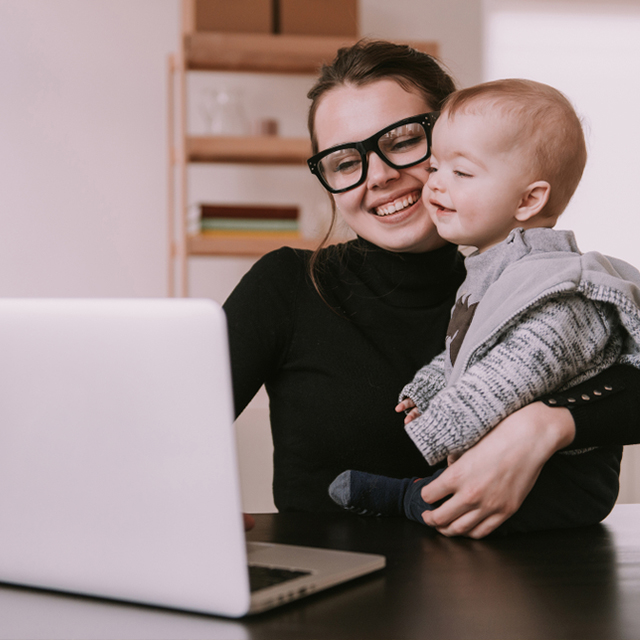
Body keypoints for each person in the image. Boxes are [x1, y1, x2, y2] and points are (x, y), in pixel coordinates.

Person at [224, 40, 640, 539]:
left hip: (535, 596)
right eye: (343, 162)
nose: (378, 176)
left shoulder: (540, 284)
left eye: (401, 141)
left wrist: (547, 426)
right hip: (338, 601)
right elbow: (162, 426)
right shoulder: (286, 286)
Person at [328, 78, 640, 534]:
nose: (435, 185)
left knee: (452, 507)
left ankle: (407, 499)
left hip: (563, 486)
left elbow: (519, 367)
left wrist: (441, 423)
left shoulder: (553, 281)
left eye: (462, 174)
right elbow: (469, 346)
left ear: (529, 199)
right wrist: (430, 384)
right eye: (436, 168)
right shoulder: (489, 267)